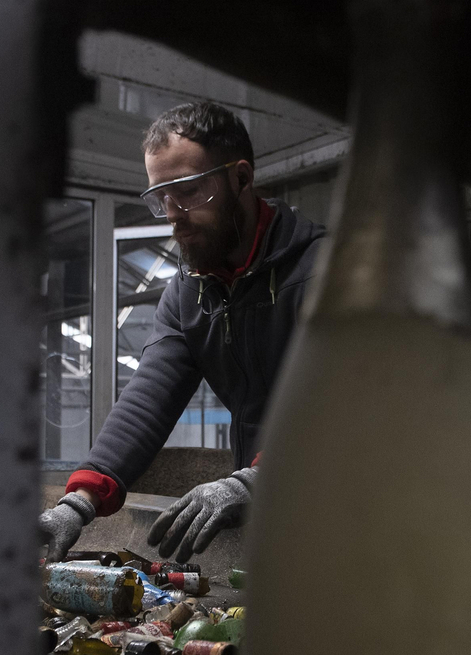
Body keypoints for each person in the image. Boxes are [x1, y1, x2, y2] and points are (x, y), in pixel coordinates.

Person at [40, 101, 326, 561]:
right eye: (161, 198)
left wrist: (252, 480)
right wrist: (78, 503)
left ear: (242, 179)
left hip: (352, 509)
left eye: (189, 191)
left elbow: (348, 404)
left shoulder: (325, 273)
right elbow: (147, 400)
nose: (173, 214)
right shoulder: (190, 292)